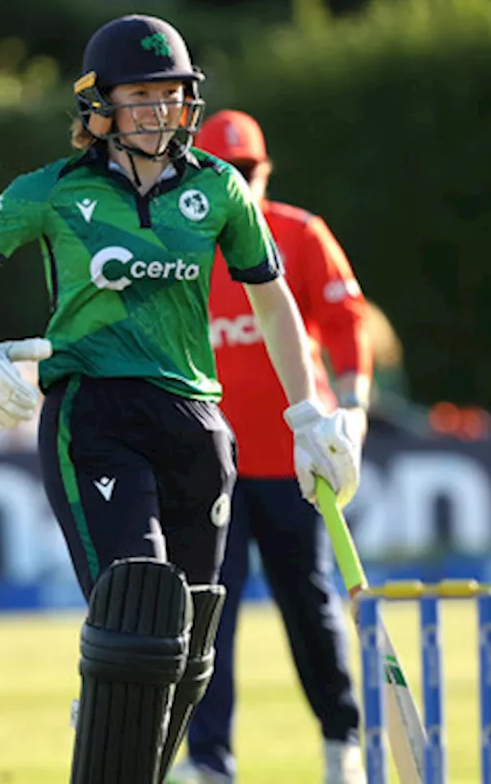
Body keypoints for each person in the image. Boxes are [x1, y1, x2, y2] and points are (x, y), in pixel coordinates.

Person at [0, 15, 363, 784]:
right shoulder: (54, 192)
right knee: (140, 608)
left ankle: (111, 712)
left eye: (171, 95)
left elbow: (272, 301)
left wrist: (308, 414)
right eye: (141, 96)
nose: (160, 112)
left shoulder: (218, 187)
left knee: (189, 649)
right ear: (98, 106)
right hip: (94, 412)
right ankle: (108, 691)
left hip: (197, 422)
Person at [167, 110, 371, 784]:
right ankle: (209, 760)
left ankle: (343, 737)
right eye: (227, 170)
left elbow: (345, 325)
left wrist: (354, 412)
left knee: (308, 604)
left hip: (292, 460)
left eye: (248, 170)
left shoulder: (298, 234)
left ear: (265, 170)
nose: (240, 182)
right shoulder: (178, 242)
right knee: (208, 619)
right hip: (209, 463)